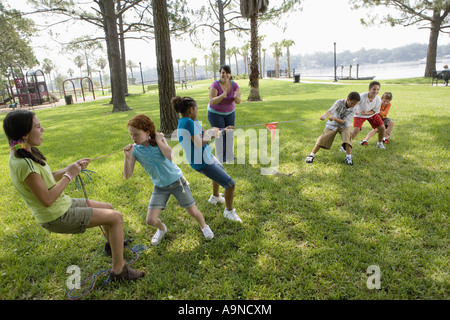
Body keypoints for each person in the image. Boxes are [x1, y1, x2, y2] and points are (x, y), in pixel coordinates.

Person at [3, 110, 144, 282]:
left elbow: (46, 178)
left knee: (109, 208)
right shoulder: (24, 163)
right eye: (38, 127)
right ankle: (119, 272)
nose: (43, 130)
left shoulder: (24, 152)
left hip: (62, 204)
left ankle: (112, 246)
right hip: (56, 216)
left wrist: (70, 168)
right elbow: (47, 200)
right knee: (116, 218)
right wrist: (69, 175)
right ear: (25, 134)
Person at [123, 114, 214, 245]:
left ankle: (204, 226)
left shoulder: (158, 142)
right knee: (150, 220)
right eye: (131, 135)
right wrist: (127, 157)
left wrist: (160, 142)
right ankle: (162, 229)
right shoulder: (135, 151)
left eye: (136, 134)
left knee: (193, 211)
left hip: (177, 181)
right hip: (160, 187)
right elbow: (127, 175)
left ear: (147, 132)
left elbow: (171, 156)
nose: (133, 138)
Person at [172, 96, 242, 223]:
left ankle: (215, 197)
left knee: (220, 169)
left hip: (206, 156)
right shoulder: (187, 123)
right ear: (192, 109)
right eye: (197, 108)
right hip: (202, 162)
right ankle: (229, 211)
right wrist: (211, 135)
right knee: (230, 184)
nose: (197, 110)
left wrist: (222, 131)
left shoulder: (190, 120)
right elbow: (199, 143)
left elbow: (204, 133)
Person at [306, 92, 361, 165]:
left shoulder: (354, 108)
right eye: (353, 103)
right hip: (333, 125)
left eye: (355, 104)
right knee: (323, 138)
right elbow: (330, 110)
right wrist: (324, 116)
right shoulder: (339, 102)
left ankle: (348, 157)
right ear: (348, 99)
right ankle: (311, 155)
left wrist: (334, 118)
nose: (353, 105)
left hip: (345, 125)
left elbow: (343, 121)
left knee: (347, 138)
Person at [207, 65, 241, 163]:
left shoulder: (234, 85)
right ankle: (221, 158)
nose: (225, 75)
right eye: (223, 72)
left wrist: (236, 97)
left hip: (230, 113)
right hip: (215, 114)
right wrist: (222, 95)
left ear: (230, 74)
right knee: (220, 134)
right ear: (220, 73)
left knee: (229, 134)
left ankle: (230, 156)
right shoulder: (215, 85)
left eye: (227, 73)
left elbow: (238, 101)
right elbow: (212, 101)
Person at [350, 81, 386, 149]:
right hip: (359, 115)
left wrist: (367, 113)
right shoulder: (361, 96)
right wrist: (356, 111)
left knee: (382, 128)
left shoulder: (378, 99)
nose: (376, 91)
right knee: (356, 130)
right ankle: (345, 146)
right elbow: (353, 105)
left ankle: (380, 143)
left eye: (378, 89)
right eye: (374, 89)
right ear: (369, 89)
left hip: (371, 114)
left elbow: (374, 111)